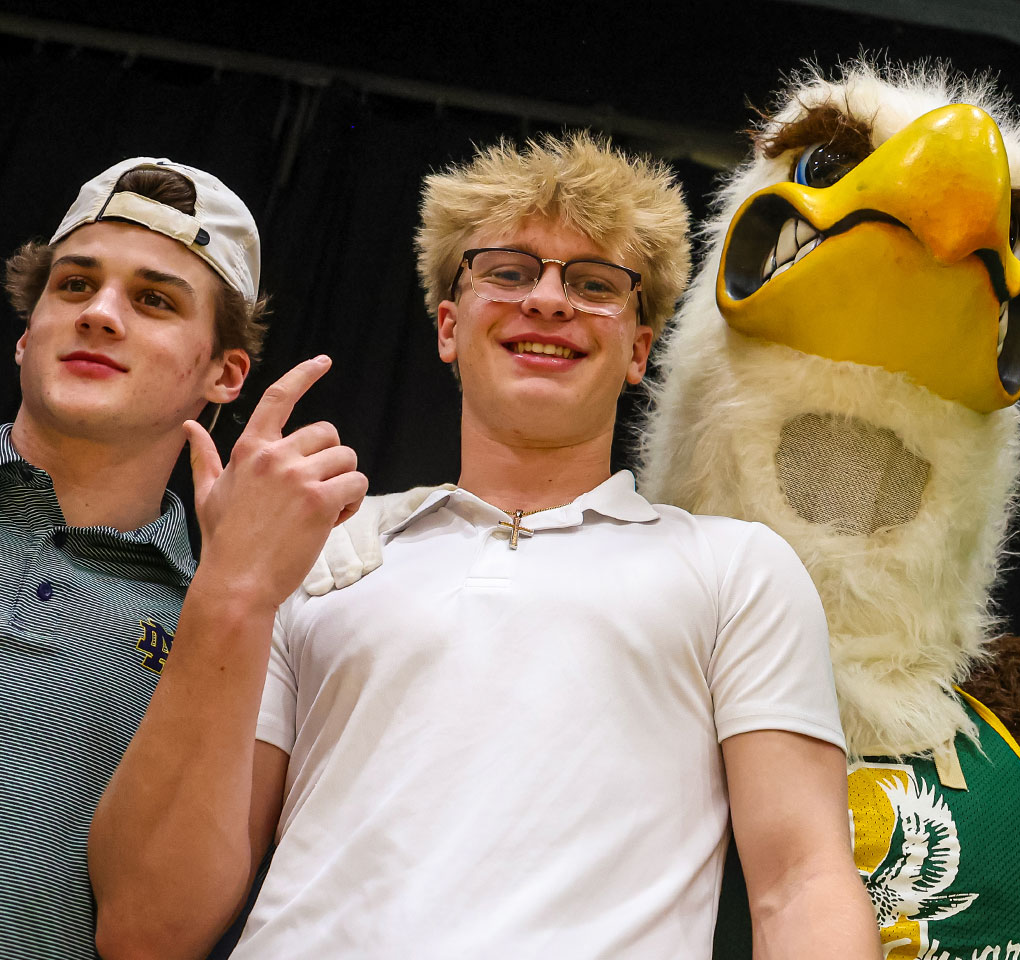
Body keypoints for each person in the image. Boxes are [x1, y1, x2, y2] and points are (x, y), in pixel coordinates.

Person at [87, 131, 876, 959]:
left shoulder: (737, 569)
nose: (548, 301)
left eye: (594, 283)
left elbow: (802, 884)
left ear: (639, 349)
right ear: (448, 326)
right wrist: (231, 587)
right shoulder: (313, 551)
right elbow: (146, 930)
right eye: (507, 272)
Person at [0, 157, 266, 958]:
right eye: (75, 285)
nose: (100, 314)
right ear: (27, 334)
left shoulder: (226, 628)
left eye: (154, 300)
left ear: (224, 374)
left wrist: (233, 599)